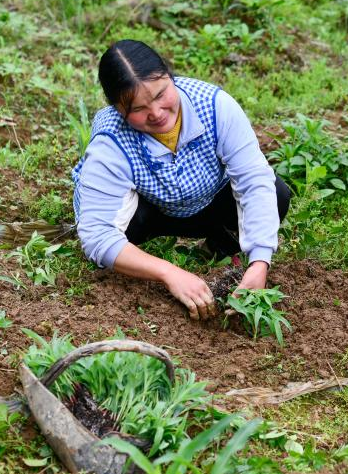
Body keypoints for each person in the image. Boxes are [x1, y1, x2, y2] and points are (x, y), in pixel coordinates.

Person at [72, 39, 291, 320]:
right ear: (118, 110)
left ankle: (220, 244)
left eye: (161, 94)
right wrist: (168, 272)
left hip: (208, 201)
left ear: (170, 76)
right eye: (137, 109)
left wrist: (260, 262)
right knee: (115, 239)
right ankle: (141, 258)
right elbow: (96, 234)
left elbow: (253, 179)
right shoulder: (110, 141)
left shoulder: (214, 106)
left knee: (275, 193)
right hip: (150, 213)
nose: (156, 113)